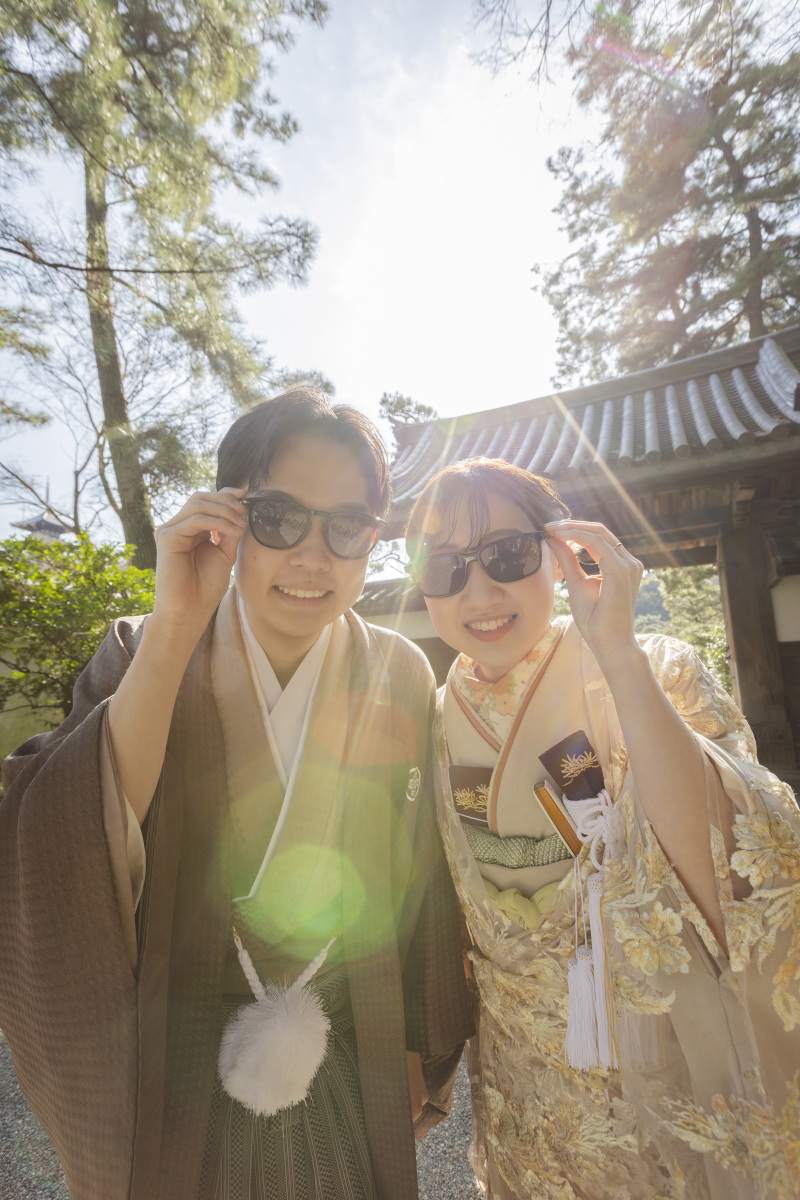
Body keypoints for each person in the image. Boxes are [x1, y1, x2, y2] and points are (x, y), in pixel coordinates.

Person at [0, 389, 473, 1200]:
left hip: (345, 1056)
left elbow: (422, 877)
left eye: (348, 528)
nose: (313, 557)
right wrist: (177, 624)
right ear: (230, 515)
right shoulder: (145, 645)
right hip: (175, 1065)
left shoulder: (396, 670)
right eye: (281, 517)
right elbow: (73, 826)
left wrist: (417, 1049)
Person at [403, 456, 800, 1200]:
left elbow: (727, 869)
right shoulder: (425, 721)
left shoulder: (651, 668)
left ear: (559, 551)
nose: (479, 592)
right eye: (445, 565)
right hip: (525, 1088)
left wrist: (616, 650)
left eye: (508, 555)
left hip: (657, 1065)